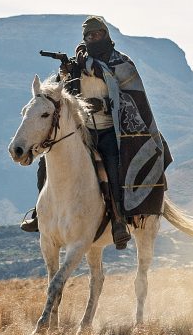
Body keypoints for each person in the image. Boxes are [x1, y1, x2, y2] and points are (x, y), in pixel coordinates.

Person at [20, 16, 162, 250]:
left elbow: (132, 99)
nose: (92, 39)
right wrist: (65, 74)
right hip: (83, 132)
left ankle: (118, 221)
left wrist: (104, 105)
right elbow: (60, 95)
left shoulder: (121, 64)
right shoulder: (78, 63)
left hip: (110, 131)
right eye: (88, 36)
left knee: (113, 168)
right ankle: (40, 215)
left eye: (96, 35)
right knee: (45, 164)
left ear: (105, 35)